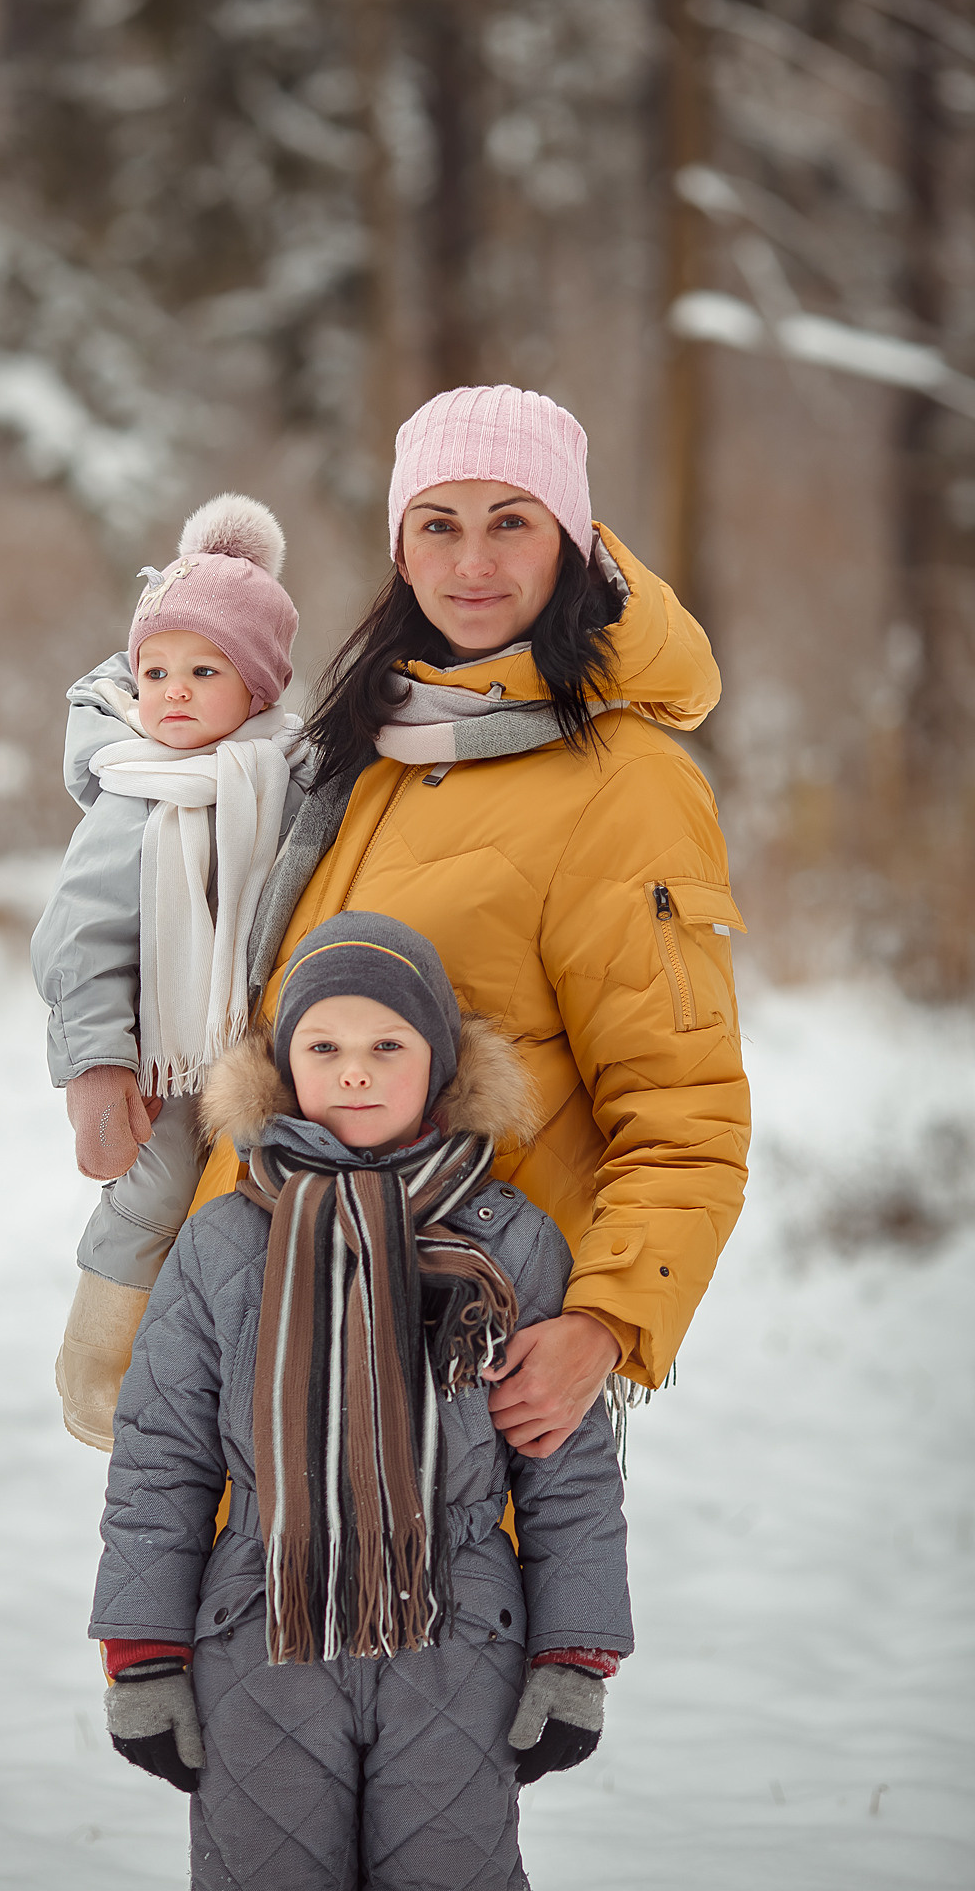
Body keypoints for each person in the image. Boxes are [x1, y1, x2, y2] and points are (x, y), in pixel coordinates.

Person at [192, 384, 751, 1459]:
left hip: (461, 1369)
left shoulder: (626, 784)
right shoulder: (368, 751)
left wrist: (605, 1323)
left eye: (511, 522)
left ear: (571, 543)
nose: (473, 563)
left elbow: (683, 1113)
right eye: (439, 526)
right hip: (272, 1343)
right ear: (400, 552)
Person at [93, 913, 633, 1891]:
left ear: (439, 1066)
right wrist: (143, 1649)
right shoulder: (223, 1243)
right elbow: (162, 1452)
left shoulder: (510, 1242)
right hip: (260, 1635)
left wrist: (574, 1650)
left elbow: (566, 1462)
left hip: (460, 1640)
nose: (355, 1073)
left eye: (388, 1046)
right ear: (281, 1069)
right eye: (324, 1048)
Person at [31, 495, 312, 1448]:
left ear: (259, 687)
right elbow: (80, 940)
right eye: (155, 671)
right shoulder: (134, 793)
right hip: (161, 1059)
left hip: (266, 1051)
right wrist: (97, 1068)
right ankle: (99, 1370)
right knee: (157, 1195)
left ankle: (230, 1386)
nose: (173, 693)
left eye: (204, 670)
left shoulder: (284, 776)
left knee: (253, 1214)